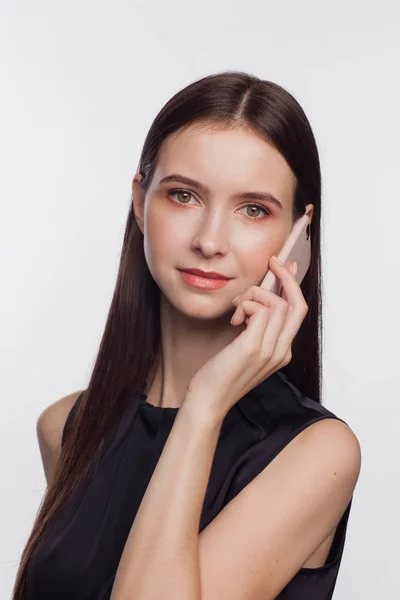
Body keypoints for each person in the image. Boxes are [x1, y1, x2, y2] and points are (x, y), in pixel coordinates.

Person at [14, 70, 361, 600]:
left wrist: (205, 404)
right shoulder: (67, 427)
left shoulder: (316, 454)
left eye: (253, 209)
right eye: (183, 196)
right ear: (139, 200)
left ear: (299, 232)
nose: (210, 240)